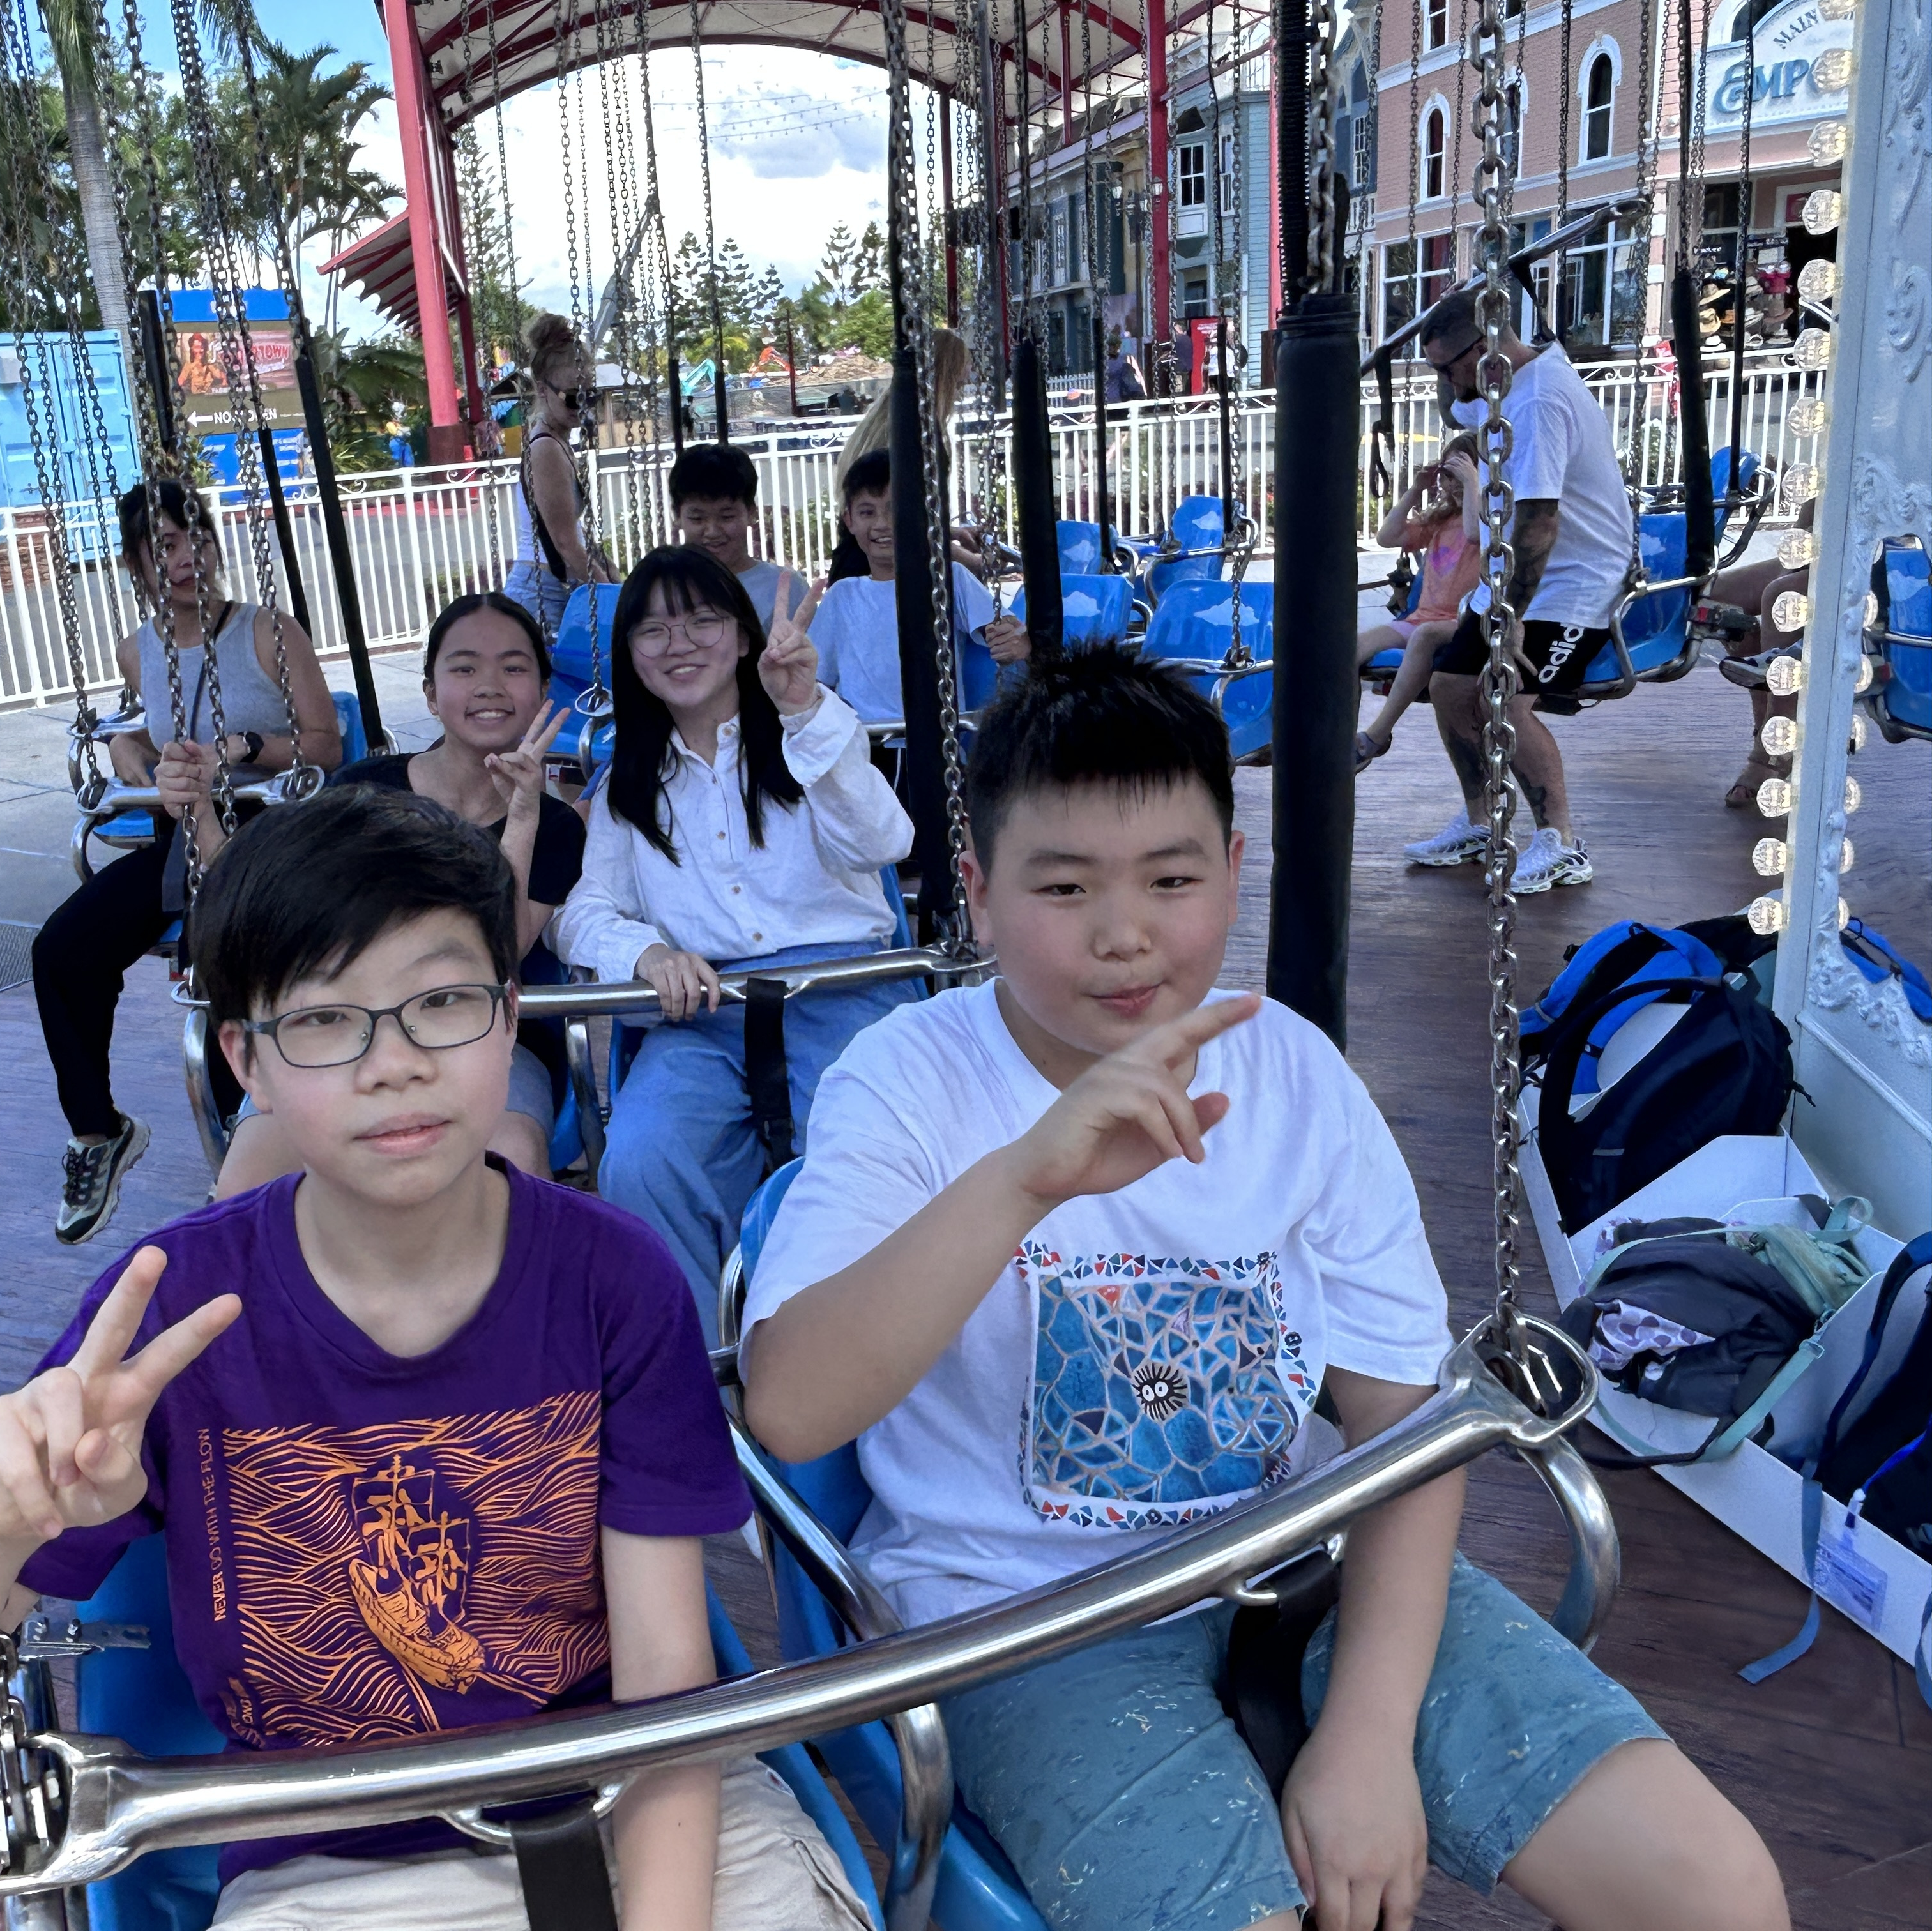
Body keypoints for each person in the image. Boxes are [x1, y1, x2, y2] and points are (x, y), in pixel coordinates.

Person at [738, 648, 1790, 1931]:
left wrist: (1368, 1736)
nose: (1123, 933)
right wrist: (1024, 1179)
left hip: (1306, 1564)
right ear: (979, 890)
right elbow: (790, 1407)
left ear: (1232, 873)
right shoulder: (906, 1084)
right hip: (1029, 1626)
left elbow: (1406, 1423)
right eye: (1063, 886)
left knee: (1716, 1888)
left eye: (1171, 879)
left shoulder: (1292, 1076)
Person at [0, 788, 872, 1931]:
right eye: (326, 1020)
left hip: (631, 1793)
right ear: (246, 1060)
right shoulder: (176, 1314)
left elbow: (665, 1682)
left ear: (508, 1017)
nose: (394, 1062)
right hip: (339, 1855)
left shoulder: (612, 1281)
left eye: (440, 1002)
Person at [554, 543, 918, 1335]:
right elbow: (582, 911)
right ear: (630, 655)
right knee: (643, 1158)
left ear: (745, 635)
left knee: (871, 1152)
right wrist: (646, 954)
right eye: (654, 630)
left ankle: (872, 1345)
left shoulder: (810, 734)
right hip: (706, 1007)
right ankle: (702, 1361)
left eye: (702, 621)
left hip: (841, 987)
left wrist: (804, 710)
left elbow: (886, 841)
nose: (679, 644)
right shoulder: (628, 786)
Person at [30, 478, 338, 1245]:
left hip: (265, 830)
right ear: (136, 563)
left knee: (222, 960)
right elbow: (153, 722)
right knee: (61, 950)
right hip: (182, 837)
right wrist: (127, 746)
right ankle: (99, 1132)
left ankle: (255, 1144)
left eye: (194, 537)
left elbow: (326, 746)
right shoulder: (140, 651)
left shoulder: (268, 631)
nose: (184, 557)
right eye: (163, 545)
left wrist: (246, 746)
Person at [215, 593, 580, 1194]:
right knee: (249, 1176)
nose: (489, 685)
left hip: (481, 1033)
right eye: (465, 667)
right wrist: (198, 808)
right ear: (432, 695)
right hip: (344, 1024)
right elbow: (288, 913)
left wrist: (520, 818)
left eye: (513, 668)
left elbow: (502, 951)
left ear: (543, 692)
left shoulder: (556, 827)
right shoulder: (366, 790)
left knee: (511, 1161)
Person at [1408, 290, 1632, 895]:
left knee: (1500, 698)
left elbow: (1537, 527)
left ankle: (1561, 843)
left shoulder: (1539, 401)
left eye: (1450, 369)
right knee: (1449, 686)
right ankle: (1480, 823)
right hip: (1512, 577)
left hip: (1574, 582)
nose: (1448, 384)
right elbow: (1457, 414)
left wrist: (1509, 625)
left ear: (1487, 350)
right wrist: (1453, 377)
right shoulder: (1501, 388)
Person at [807, 450, 1030, 726]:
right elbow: (816, 680)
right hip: (866, 742)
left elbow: (1008, 630)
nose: (882, 524)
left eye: (895, 509)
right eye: (867, 512)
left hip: (938, 738)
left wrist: (1012, 639)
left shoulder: (949, 579)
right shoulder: (842, 596)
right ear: (849, 521)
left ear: (921, 514)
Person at [1355, 436, 1482, 770]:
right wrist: (1416, 489)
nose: (1453, 484)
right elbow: (1387, 537)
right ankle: (1333, 729)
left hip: (1466, 623)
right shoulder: (1442, 520)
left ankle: (1377, 735)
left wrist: (1472, 484)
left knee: (1426, 636)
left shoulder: (1492, 519)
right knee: (1352, 648)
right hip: (1421, 619)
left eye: (1462, 473)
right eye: (1448, 475)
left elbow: (1476, 533)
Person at [828, 327, 980, 583]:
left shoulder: (881, 422)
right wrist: (972, 562)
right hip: (885, 576)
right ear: (943, 381)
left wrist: (949, 532)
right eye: (958, 385)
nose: (957, 396)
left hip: (855, 564)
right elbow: (908, 525)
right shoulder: (916, 436)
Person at [506, 311, 618, 636]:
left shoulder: (556, 442)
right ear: (542, 391)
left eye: (589, 395)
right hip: (540, 591)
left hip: (550, 585)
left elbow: (573, 531)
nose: (582, 406)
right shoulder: (546, 449)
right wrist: (613, 597)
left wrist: (610, 572)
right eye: (572, 397)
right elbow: (566, 544)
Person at [1703, 500, 1814, 808]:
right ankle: (1767, 730)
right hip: (1812, 561)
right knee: (1713, 597)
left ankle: (1772, 751)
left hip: (1862, 567)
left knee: (1782, 596)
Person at [669, 441, 810, 617]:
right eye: (697, 519)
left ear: (751, 513)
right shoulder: (660, 589)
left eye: (727, 517)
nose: (712, 532)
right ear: (677, 516)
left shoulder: (787, 588)